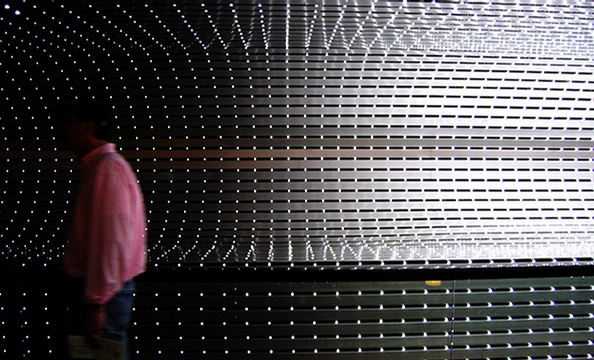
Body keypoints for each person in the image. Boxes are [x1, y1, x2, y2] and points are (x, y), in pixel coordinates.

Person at [55, 98, 147, 359]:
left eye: (69, 122)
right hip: (105, 292)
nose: (61, 129)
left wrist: (97, 302)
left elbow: (111, 241)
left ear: (88, 127)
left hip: (104, 294)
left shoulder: (106, 170)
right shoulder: (103, 168)